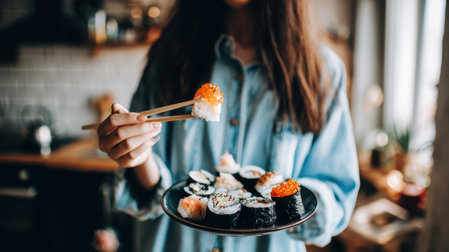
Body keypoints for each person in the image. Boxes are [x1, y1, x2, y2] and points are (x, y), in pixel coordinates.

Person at [97, 0, 359, 251]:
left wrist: (282, 200)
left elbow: (337, 196)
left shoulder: (322, 72)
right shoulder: (169, 55)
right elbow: (153, 194)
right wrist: (139, 155)